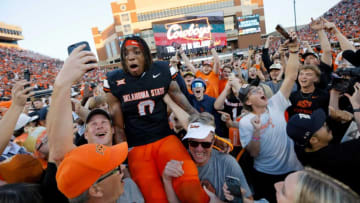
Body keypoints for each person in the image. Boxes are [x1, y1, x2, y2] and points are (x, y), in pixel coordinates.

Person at [103, 36, 209, 202]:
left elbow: (187, 107)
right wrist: (122, 162)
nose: (130, 57)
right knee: (155, 198)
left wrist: (207, 132)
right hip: (137, 147)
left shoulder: (163, 69)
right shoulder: (114, 80)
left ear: (145, 55)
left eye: (136, 52)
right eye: (125, 54)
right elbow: (118, 127)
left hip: (165, 139)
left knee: (190, 188)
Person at [46, 44, 142, 202]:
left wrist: (62, 85)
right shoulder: (80, 163)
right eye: (115, 168)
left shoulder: (126, 185)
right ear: (95, 190)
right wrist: (62, 84)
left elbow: (59, 152)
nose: (123, 169)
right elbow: (58, 152)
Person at [237, 32, 303, 202]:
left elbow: (290, 77)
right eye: (253, 91)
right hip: (266, 174)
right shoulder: (245, 122)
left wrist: (294, 51)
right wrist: (256, 132)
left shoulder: (276, 103)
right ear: (248, 102)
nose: (260, 90)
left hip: (293, 169)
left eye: (259, 89)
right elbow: (252, 152)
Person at [162, 95, 252, 202]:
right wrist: (166, 179)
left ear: (213, 141)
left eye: (205, 144)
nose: (199, 149)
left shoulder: (227, 163)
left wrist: (234, 200)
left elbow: (249, 200)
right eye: (193, 143)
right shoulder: (179, 163)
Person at [287, 108, 360, 194]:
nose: (325, 123)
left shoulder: (301, 147)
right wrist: (357, 110)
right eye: (321, 125)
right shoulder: (334, 157)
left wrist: (334, 118)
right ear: (313, 140)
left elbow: (327, 125)